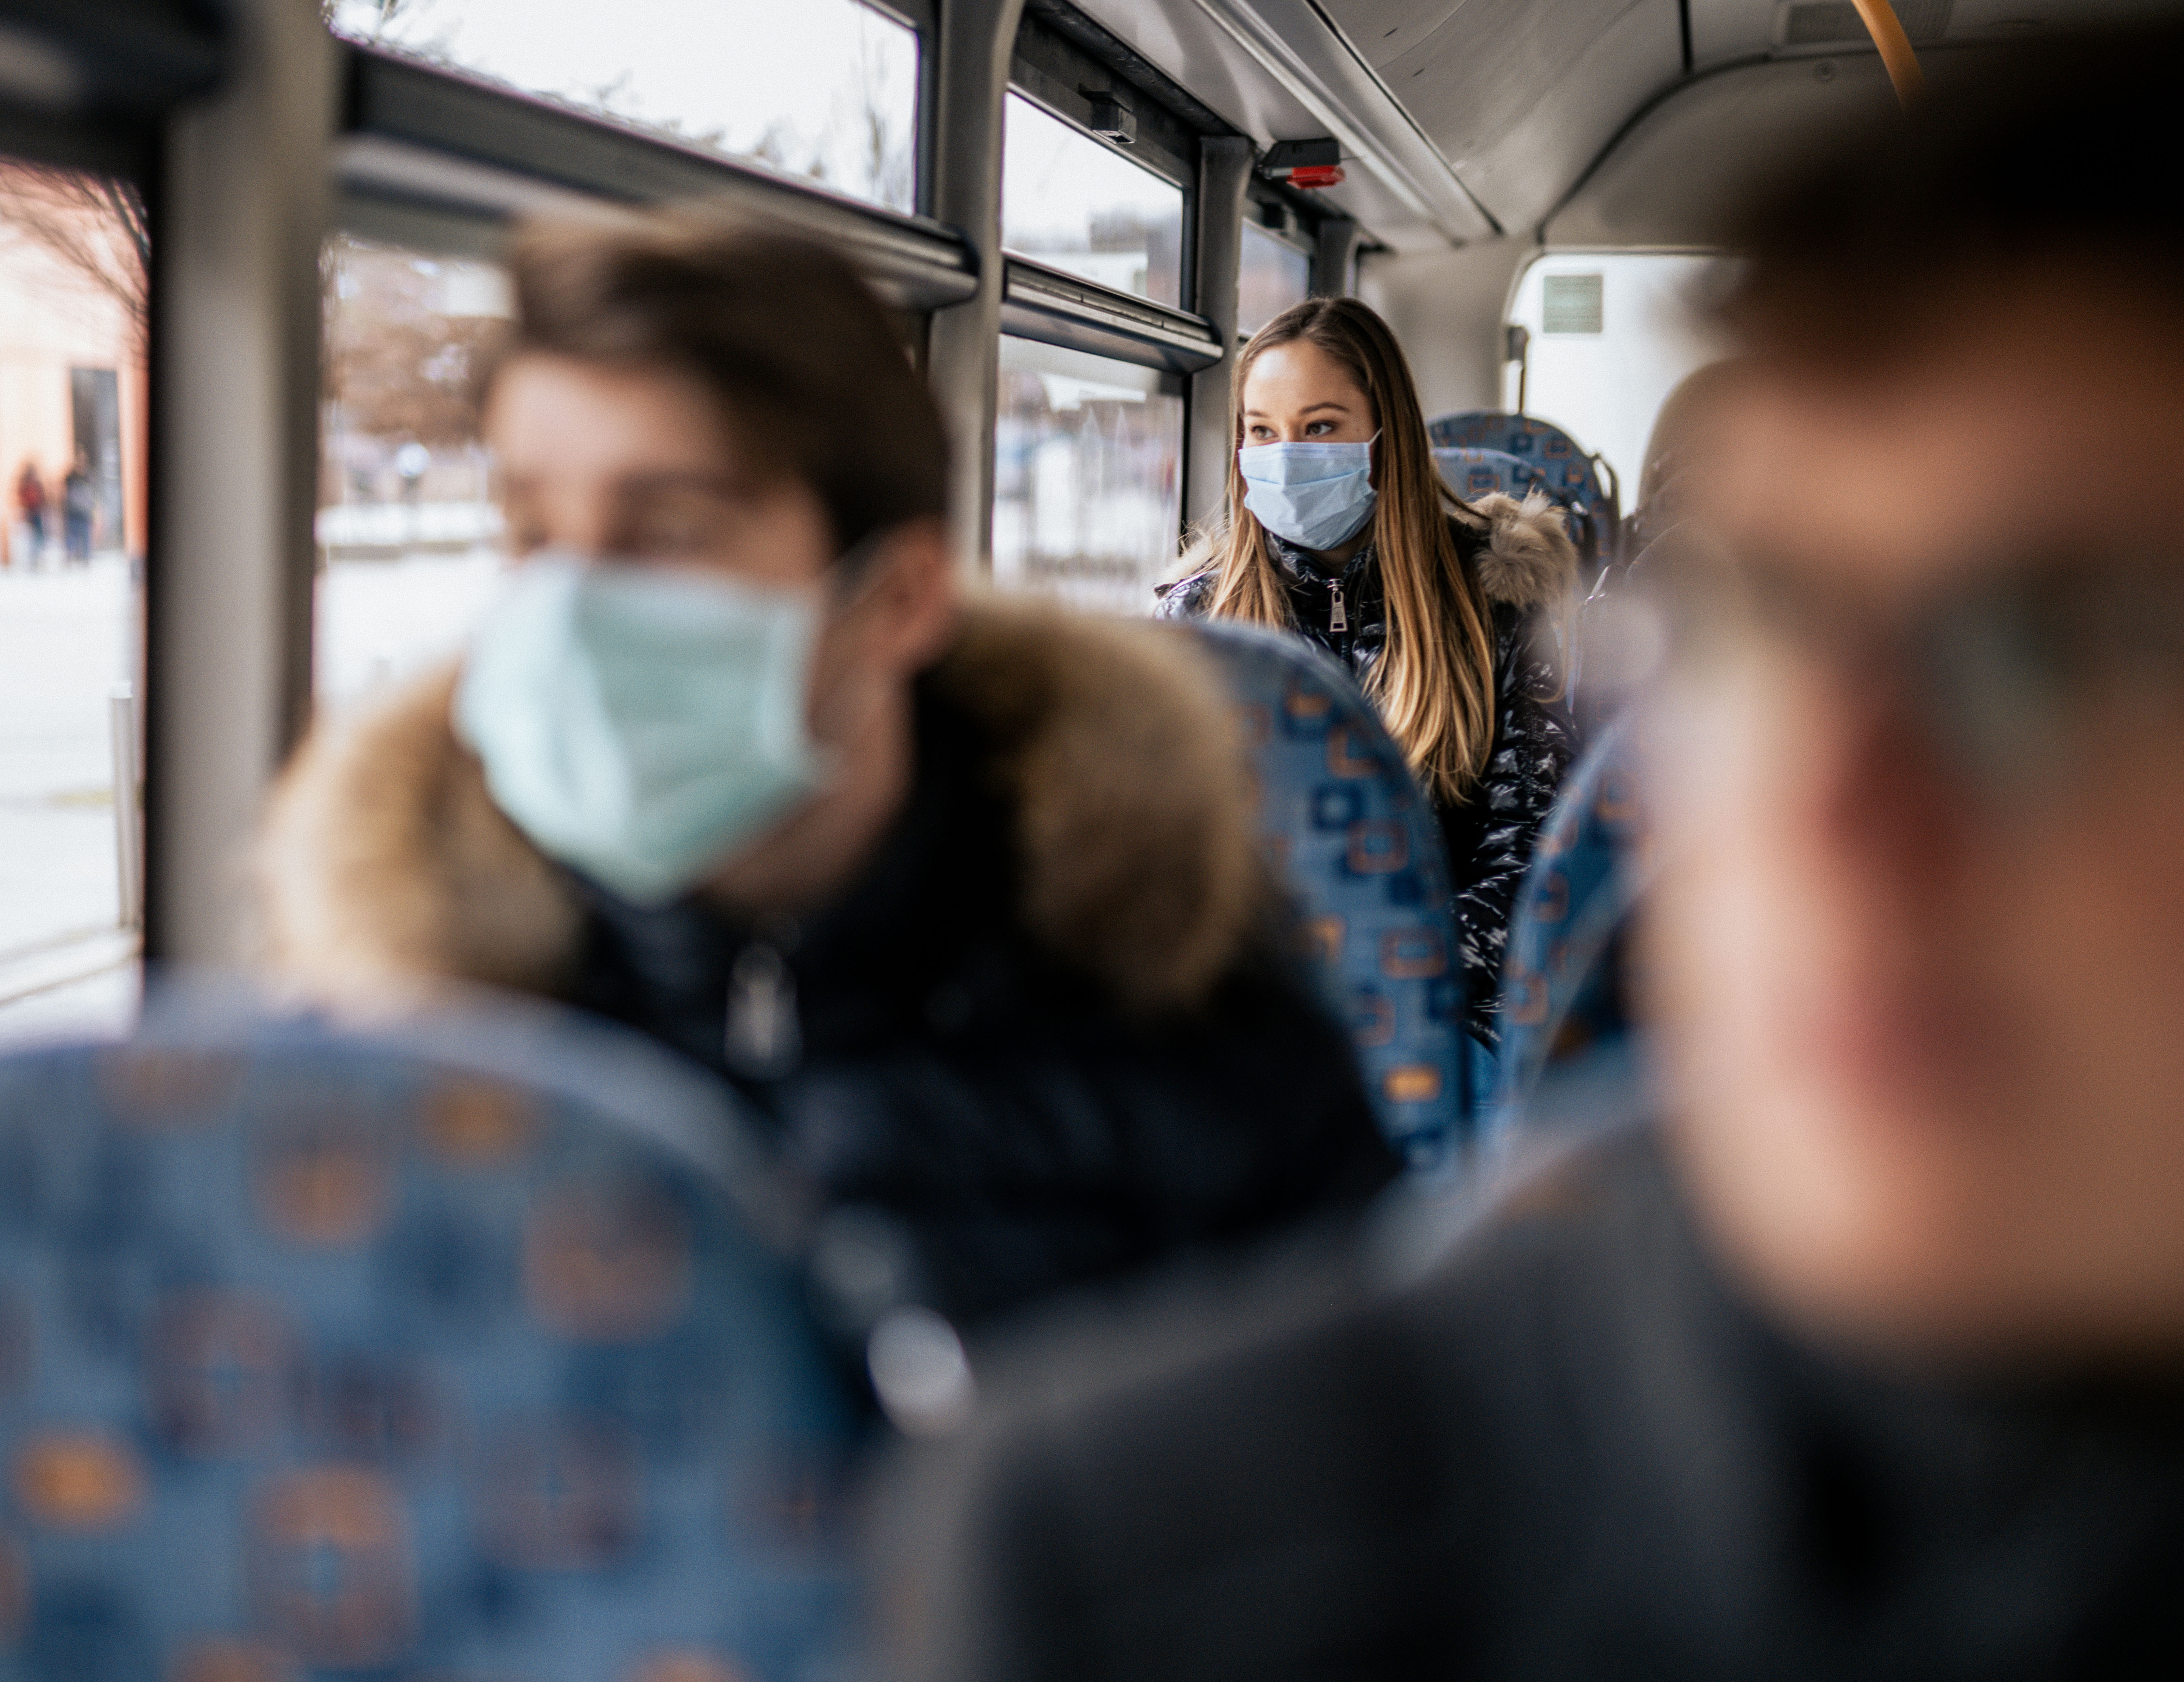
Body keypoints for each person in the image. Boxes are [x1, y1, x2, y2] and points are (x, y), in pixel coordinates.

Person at [889, 19, 2184, 1674]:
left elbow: (1517, 877)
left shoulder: (1487, 608)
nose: (1828, 807)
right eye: (1766, 626)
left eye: (2097, 648)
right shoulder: (1144, 1573)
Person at [256, 211, 1396, 1337]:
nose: (570, 603)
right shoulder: (392, 1041)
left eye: (668, 529)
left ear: (895, 598)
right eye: (533, 531)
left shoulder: (1192, 1030)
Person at [1157, 298, 1579, 1059]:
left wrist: (1378, 982)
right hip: (1243, 1017)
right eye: (1263, 431)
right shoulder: (1196, 626)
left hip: (1449, 1010)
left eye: (1319, 427)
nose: (1287, 454)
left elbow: (1530, 860)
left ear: (1384, 439)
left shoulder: (1496, 602)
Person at [59, 454, 93, 564]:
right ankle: (73, 557)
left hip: (81, 512)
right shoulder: (72, 478)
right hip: (75, 512)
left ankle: (83, 558)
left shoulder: (82, 477)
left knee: (82, 536)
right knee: (73, 536)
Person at [15, 459, 46, 563]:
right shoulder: (26, 483)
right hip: (29, 511)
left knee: (38, 534)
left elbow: (41, 496)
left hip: (36, 511)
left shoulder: (34, 483)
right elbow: (22, 496)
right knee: (31, 535)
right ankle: (33, 557)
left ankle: (37, 556)